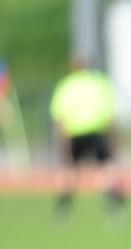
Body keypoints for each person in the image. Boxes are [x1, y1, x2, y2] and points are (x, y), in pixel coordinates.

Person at [49, 58, 126, 222]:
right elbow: (110, 114)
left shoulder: (66, 85)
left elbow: (59, 116)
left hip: (74, 132)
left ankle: (63, 209)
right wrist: (113, 138)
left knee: (70, 172)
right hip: (98, 131)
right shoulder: (100, 83)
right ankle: (114, 209)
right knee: (107, 170)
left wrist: (61, 139)